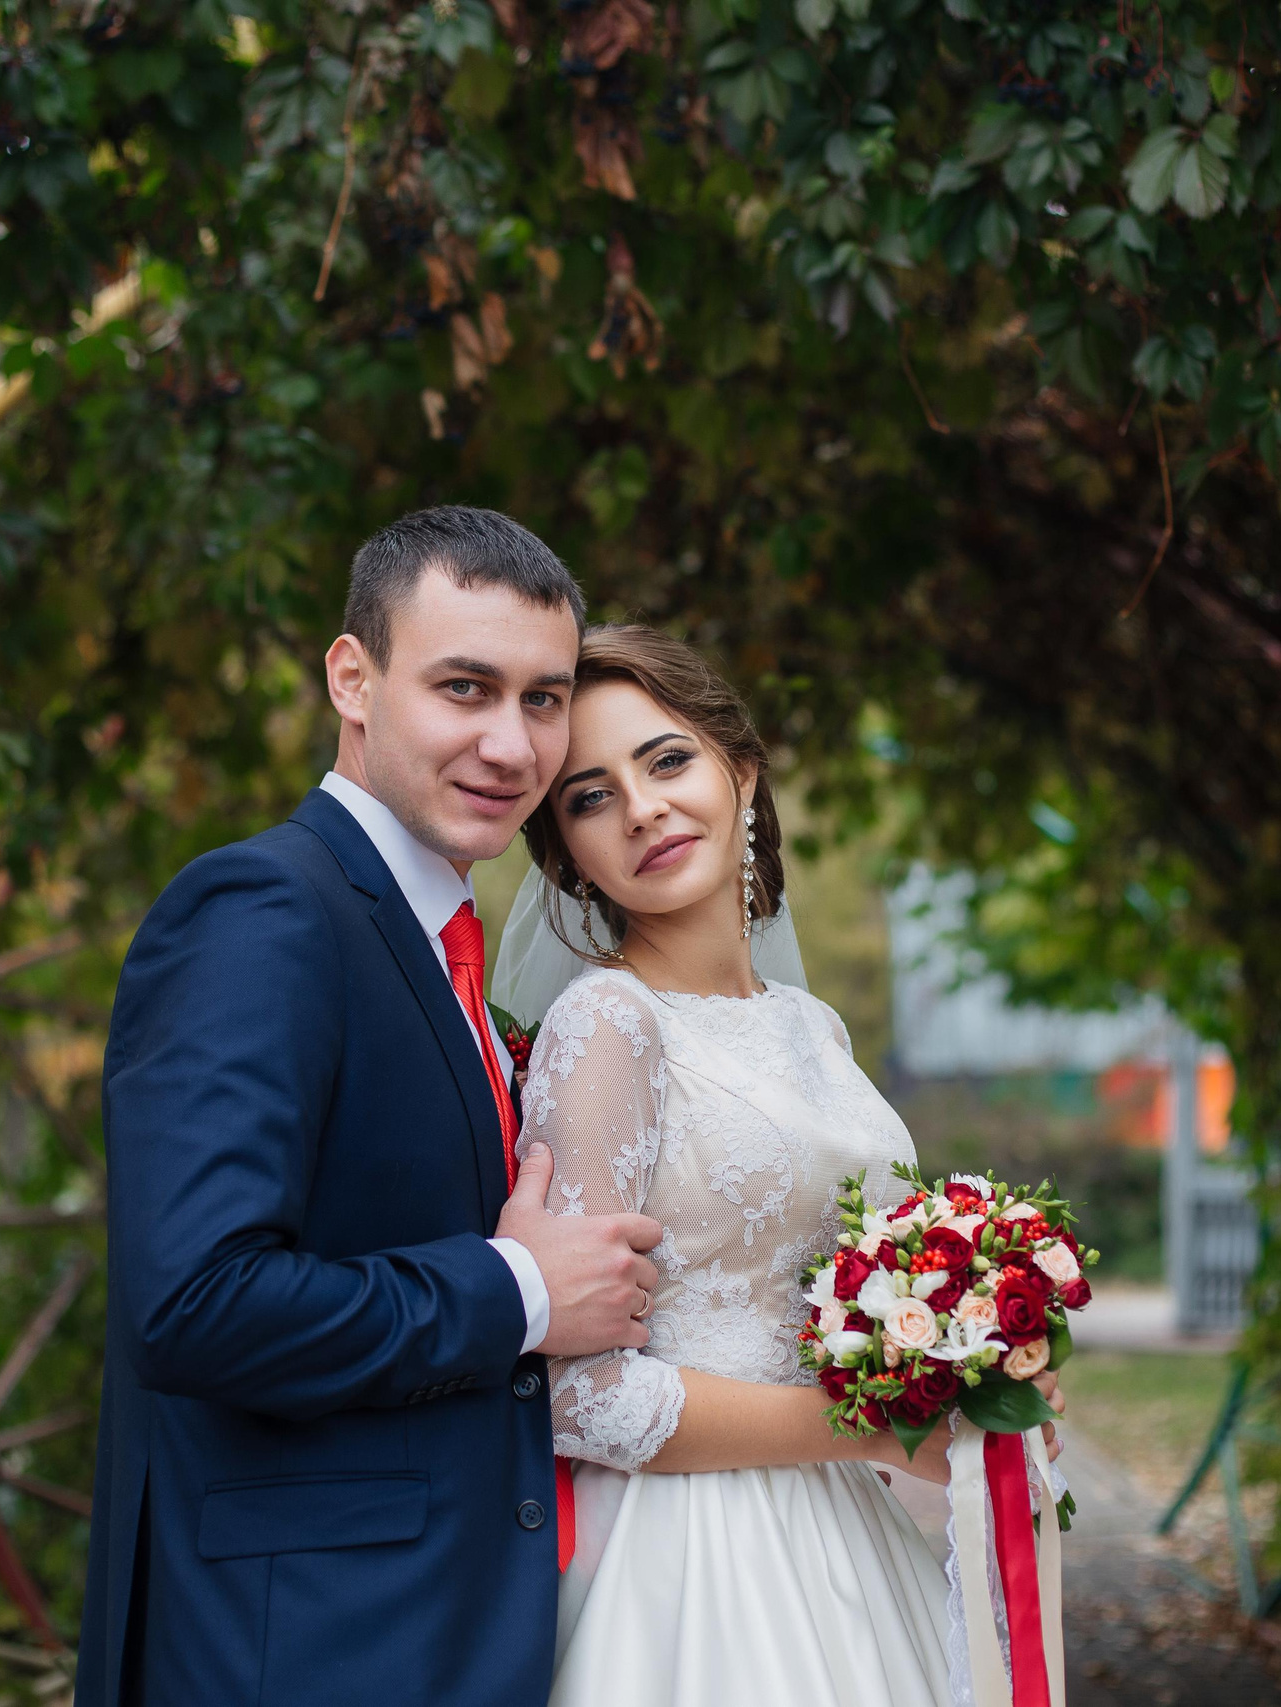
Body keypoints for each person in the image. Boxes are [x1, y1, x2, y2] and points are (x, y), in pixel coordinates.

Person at [76, 508, 667, 1705]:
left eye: (543, 700)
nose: (512, 745)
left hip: (443, 1631)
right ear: (353, 677)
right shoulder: (262, 910)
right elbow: (194, 1305)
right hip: (299, 1651)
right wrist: (525, 1290)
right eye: (465, 687)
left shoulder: (438, 941)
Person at [493, 625, 1063, 1707]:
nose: (644, 808)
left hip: (843, 1532)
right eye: (589, 796)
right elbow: (576, 1396)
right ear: (567, 855)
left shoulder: (815, 1028)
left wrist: (976, 1363)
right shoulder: (608, 1024)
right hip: (690, 1563)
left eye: (666, 761)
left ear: (740, 772)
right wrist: (878, 1425)